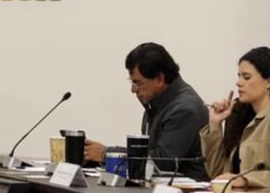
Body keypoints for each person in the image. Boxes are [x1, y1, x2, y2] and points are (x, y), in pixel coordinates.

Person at [85, 43, 208, 179]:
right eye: (132, 83)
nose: (133, 90)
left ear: (159, 79)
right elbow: (146, 155)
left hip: (184, 190)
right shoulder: (156, 103)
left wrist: (106, 154)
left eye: (138, 83)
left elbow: (162, 162)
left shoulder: (184, 109)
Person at [201, 47, 270, 191]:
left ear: (269, 82)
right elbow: (218, 175)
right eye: (239, 76)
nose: (238, 83)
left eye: (246, 77)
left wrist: (244, 180)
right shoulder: (242, 117)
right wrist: (215, 124)